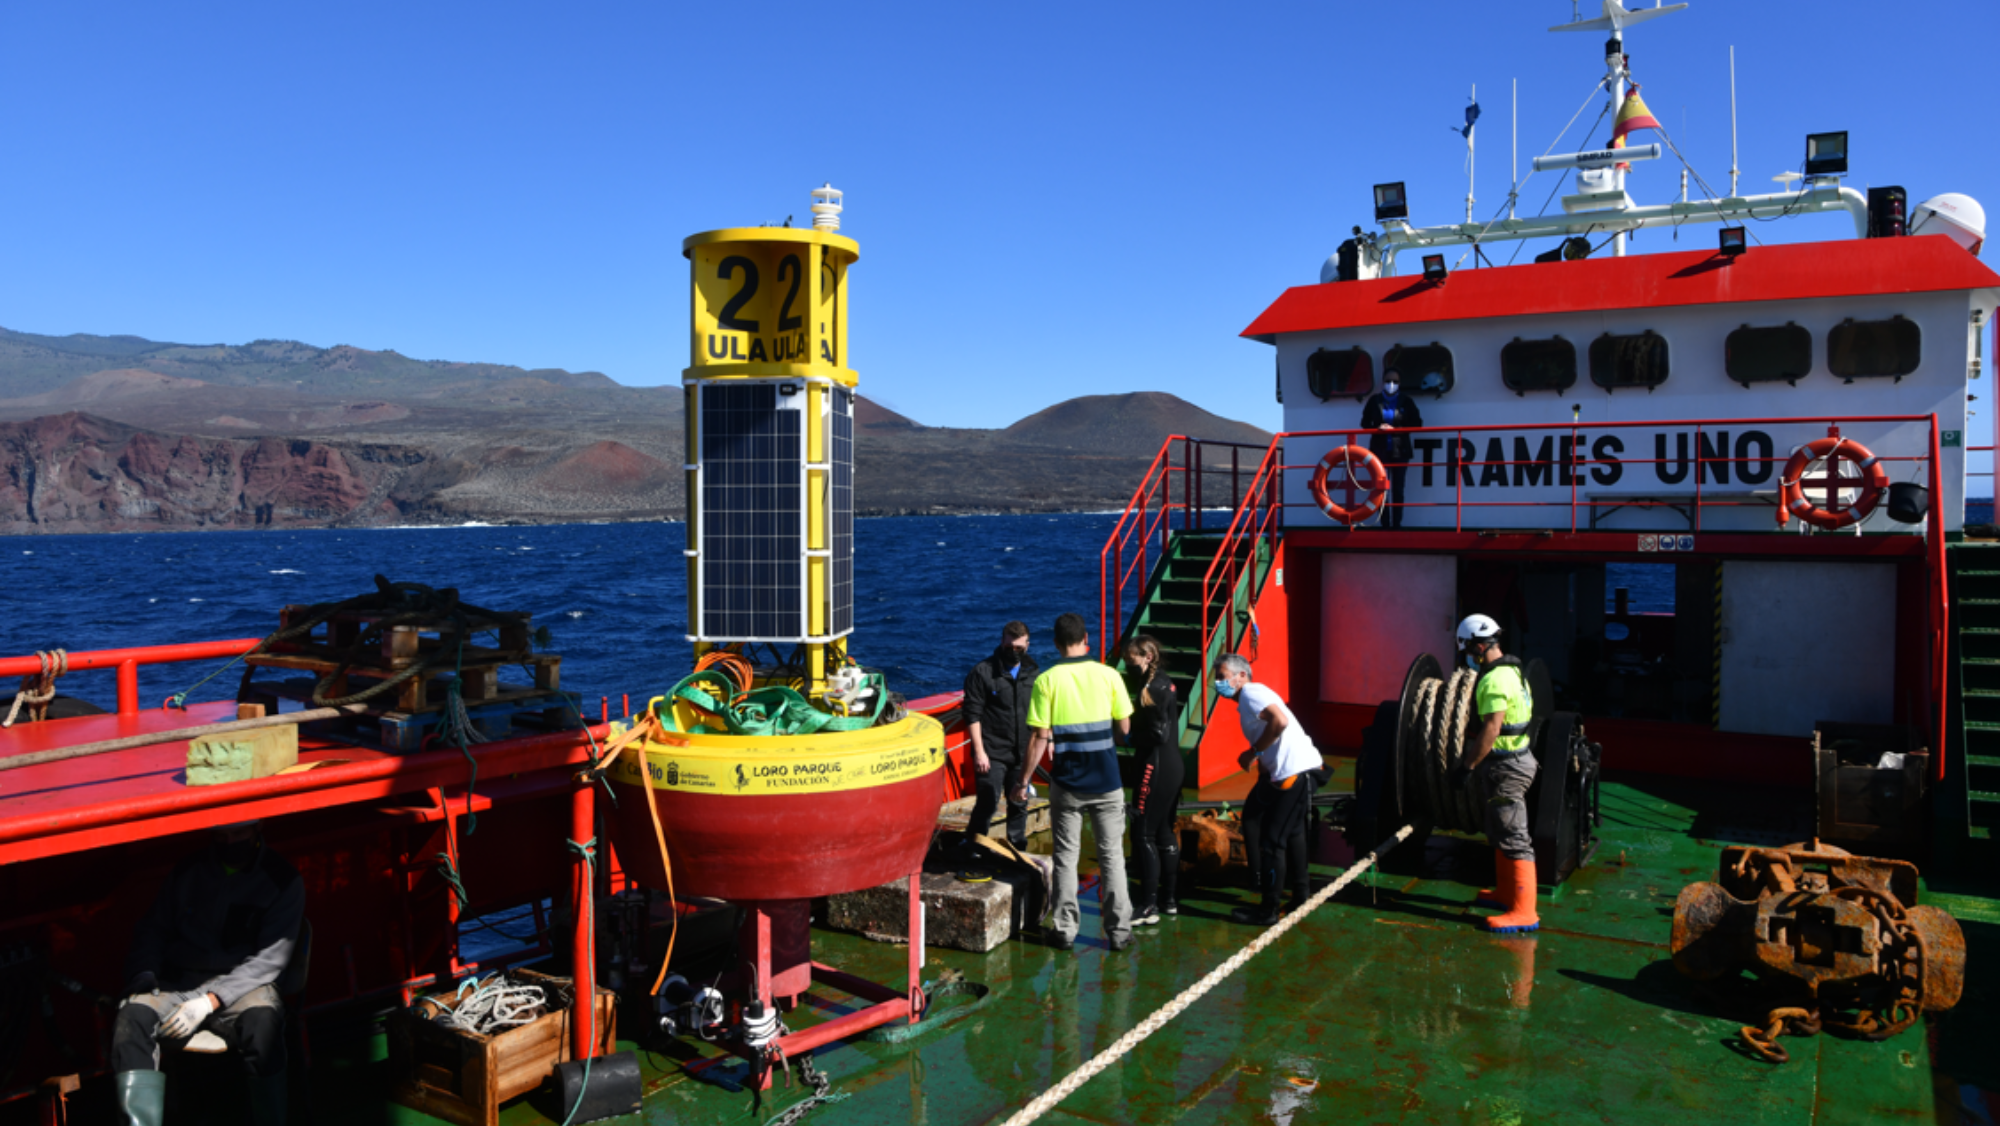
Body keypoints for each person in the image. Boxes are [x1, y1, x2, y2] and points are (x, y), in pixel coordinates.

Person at [113, 821, 304, 1126]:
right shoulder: (188, 871)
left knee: (264, 1023)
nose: (230, 842)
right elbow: (153, 929)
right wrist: (144, 975)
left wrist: (211, 1001)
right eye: (221, 835)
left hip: (246, 986)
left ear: (258, 828)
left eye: (239, 834)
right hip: (181, 982)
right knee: (132, 1017)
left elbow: (270, 960)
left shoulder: (283, 880)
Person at [1017, 612, 1133, 951]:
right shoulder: (1110, 676)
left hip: (1067, 784)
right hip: (1107, 782)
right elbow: (1125, 728)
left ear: (1056, 644)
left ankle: (1065, 930)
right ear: (1086, 641)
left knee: (1067, 857)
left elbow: (1040, 739)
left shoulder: (1047, 681)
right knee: (1111, 856)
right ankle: (1119, 932)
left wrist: (1023, 780)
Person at [1214, 654, 1323, 926]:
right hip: (1297, 771)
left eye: (1222, 676)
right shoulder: (1249, 701)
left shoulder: (1251, 692)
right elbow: (1273, 732)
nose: (1218, 682)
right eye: (1216, 677)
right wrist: (1264, 766)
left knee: (1273, 842)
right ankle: (1300, 894)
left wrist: (1252, 753)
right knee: (1294, 832)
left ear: (1241, 676)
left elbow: (1280, 722)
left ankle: (1268, 909)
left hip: (1294, 774)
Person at [1450, 613, 1540, 934]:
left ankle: (1524, 910)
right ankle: (1506, 893)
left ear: (1478, 646)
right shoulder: (1513, 670)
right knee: (1500, 829)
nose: (1467, 659)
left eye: (1468, 652)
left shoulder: (1493, 680)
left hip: (1508, 766)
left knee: (1514, 835)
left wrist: (1466, 767)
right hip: (1514, 760)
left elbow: (1491, 730)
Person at [961, 621, 1038, 853]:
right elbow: (972, 714)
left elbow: (1041, 709)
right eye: (1009, 647)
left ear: (1027, 644)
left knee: (1019, 801)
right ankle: (974, 846)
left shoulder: (1033, 672)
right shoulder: (982, 672)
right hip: (991, 750)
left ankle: (1017, 849)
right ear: (1001, 642)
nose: (1013, 652)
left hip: (1021, 750)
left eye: (1019, 648)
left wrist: (1047, 740)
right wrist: (979, 752)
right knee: (988, 800)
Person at [1121, 635, 1182, 926]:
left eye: (1132, 662)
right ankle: (1168, 900)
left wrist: (1131, 737)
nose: (1129, 667)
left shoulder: (1153, 689)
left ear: (1148, 657)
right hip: (1172, 765)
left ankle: (1147, 906)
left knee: (1143, 834)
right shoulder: (1164, 682)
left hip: (1154, 766)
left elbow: (1158, 734)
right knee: (1164, 833)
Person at [1360, 369, 1423, 529]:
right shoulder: (1374, 401)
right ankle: (1384, 524)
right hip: (1379, 451)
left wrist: (1396, 429)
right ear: (1383, 382)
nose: (1391, 384)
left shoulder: (1406, 401)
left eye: (1395, 381)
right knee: (1381, 489)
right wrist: (1377, 427)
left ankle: (1396, 524)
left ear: (1399, 383)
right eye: (1388, 381)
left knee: (1398, 489)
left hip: (1400, 451)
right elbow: (1364, 423)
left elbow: (1417, 423)